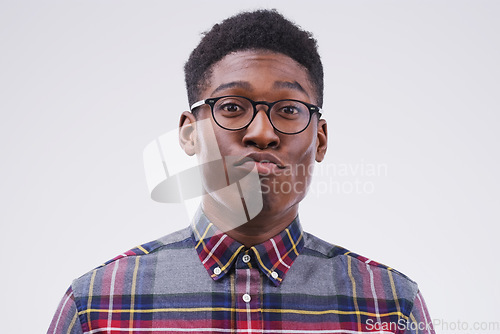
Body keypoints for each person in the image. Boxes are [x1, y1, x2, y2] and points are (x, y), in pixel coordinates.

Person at [48, 9, 434, 334]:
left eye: (288, 109)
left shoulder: (391, 307)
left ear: (319, 139)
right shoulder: (97, 305)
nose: (262, 133)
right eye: (232, 107)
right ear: (189, 133)